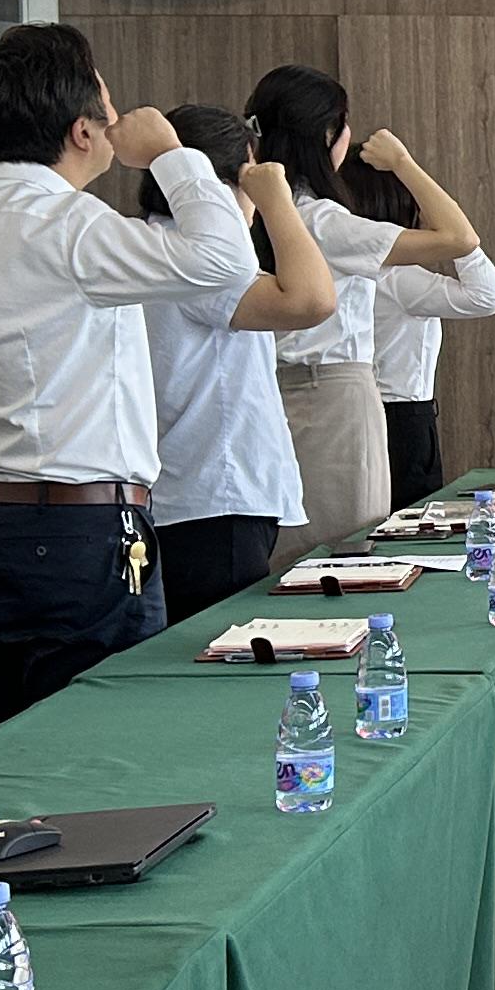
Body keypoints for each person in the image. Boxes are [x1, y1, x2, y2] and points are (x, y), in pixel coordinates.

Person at [0, 23, 252, 729]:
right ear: (83, 131)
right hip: (79, 531)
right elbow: (227, 260)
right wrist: (171, 155)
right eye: (108, 109)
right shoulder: (71, 225)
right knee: (104, 738)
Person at [240, 65, 483, 566]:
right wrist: (403, 163)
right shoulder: (324, 220)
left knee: (290, 546)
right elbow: (460, 238)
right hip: (334, 394)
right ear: (329, 134)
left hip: (271, 391)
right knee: (346, 544)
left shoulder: (260, 211)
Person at [137, 103, 337, 616]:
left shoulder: (150, 243)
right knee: (219, 645)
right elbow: (312, 300)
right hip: (214, 497)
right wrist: (278, 201)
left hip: (187, 493)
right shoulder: (199, 259)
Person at [347, 149, 495, 505]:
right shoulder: (396, 279)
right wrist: (454, 235)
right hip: (401, 422)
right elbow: (487, 296)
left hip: (354, 415)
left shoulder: (343, 269)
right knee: (409, 525)